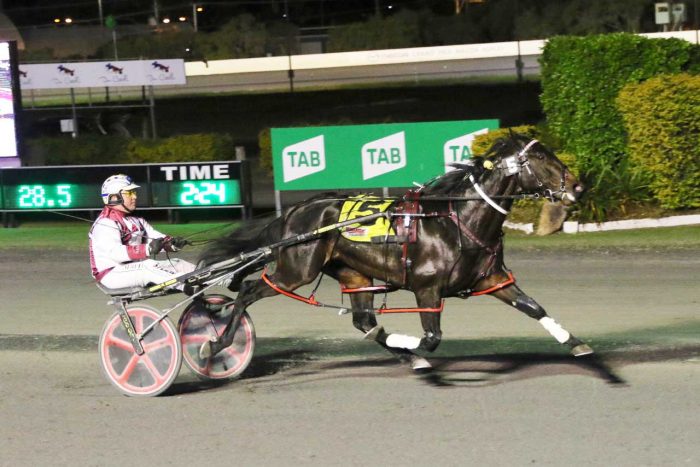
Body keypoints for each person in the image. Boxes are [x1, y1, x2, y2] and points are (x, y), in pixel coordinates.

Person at [89, 174, 196, 290]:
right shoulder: (105, 223)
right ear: (114, 197)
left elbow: (156, 238)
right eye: (129, 193)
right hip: (111, 274)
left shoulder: (137, 221)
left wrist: (172, 244)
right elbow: (116, 253)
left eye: (134, 192)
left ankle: (208, 279)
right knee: (147, 267)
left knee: (177, 263)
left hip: (133, 268)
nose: (134, 197)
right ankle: (186, 287)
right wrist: (148, 249)